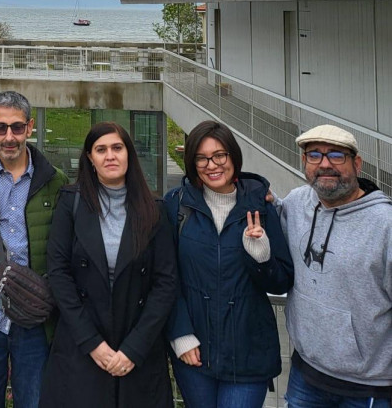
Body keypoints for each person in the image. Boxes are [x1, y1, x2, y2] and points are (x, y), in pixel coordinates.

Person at [39, 122, 177, 408]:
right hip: (82, 346)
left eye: (117, 148)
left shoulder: (154, 209)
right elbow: (59, 274)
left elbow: (165, 283)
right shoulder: (70, 203)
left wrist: (133, 350)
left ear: (129, 154)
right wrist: (93, 344)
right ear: (90, 157)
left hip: (137, 348)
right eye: (101, 150)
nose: (110, 156)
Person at [165, 120, 294, 408]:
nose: (212, 164)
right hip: (194, 351)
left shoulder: (259, 206)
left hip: (248, 354)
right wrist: (180, 333)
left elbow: (281, 281)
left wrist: (261, 257)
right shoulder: (176, 205)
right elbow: (165, 277)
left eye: (220, 155)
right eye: (202, 157)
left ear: (233, 157)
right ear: (192, 162)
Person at [0, 90, 67, 408]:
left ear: (30, 127)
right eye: (1, 127)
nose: (9, 136)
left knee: (33, 402)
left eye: (17, 127)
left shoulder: (54, 182)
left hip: (33, 321)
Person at [277, 124, 392, 408]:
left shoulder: (385, 225)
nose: (324, 164)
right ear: (304, 162)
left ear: (357, 163)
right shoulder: (296, 203)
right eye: (314, 155)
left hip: (367, 387)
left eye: (336, 156)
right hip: (305, 373)